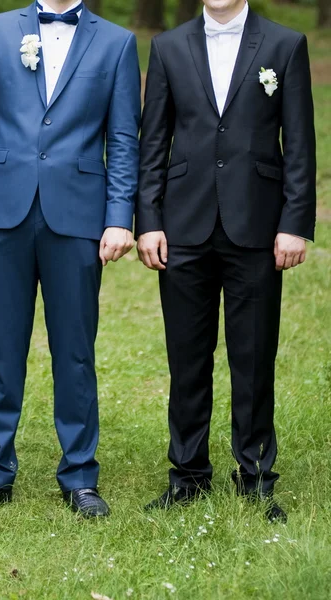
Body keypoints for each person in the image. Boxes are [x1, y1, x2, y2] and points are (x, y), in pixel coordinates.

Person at [0, 0, 141, 517]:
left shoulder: (117, 43)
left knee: (76, 351)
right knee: (1, 349)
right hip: (0, 211)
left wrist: (120, 214)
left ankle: (79, 475)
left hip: (77, 215)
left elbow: (122, 140)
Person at [136, 0, 316, 522]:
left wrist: (293, 223)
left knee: (254, 356)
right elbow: (155, 141)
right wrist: (148, 219)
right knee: (186, 356)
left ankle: (255, 473)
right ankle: (188, 473)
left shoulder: (284, 45)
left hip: (256, 223)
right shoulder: (168, 46)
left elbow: (299, 142)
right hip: (184, 223)